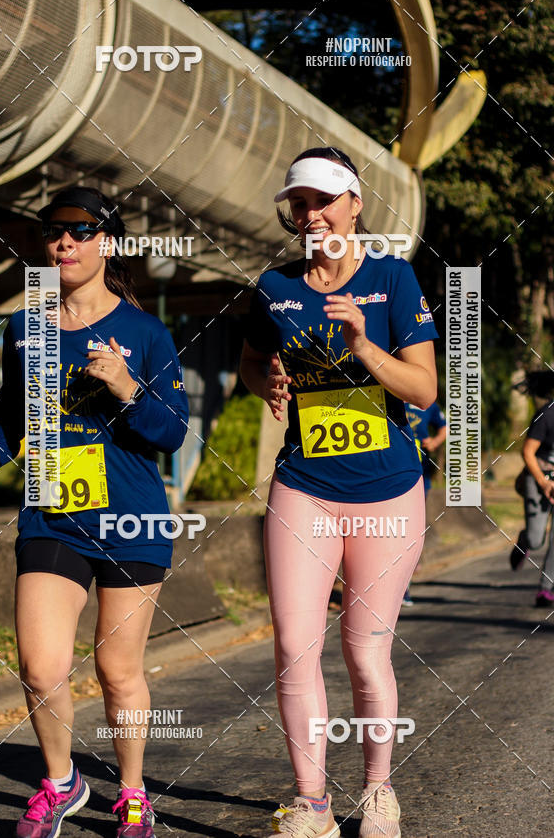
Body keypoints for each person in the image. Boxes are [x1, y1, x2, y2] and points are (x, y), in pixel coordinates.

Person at [0, 187, 188, 838]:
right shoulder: (24, 328)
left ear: (107, 243)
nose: (64, 242)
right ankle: (61, 783)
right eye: (53, 232)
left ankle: (134, 794)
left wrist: (124, 386)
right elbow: (14, 414)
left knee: (117, 671)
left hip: (132, 518)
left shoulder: (144, 332)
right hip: (52, 513)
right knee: (39, 667)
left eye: (80, 231)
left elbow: (172, 432)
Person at [240, 147, 438, 838]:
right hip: (304, 487)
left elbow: (424, 388)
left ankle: (378, 791)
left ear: (355, 204)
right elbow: (250, 359)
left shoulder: (394, 279)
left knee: (364, 650)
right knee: (294, 643)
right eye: (300, 202)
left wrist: (365, 348)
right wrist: (263, 379)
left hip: (387, 494)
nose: (312, 213)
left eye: (324, 199)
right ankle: (312, 802)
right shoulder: (274, 286)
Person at [509, 399, 554, 606]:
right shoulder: (546, 414)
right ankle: (525, 540)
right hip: (538, 477)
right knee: (537, 540)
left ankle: (546, 588)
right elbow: (527, 452)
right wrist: (544, 483)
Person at [402, 401, 447, 604]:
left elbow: (445, 427)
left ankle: (404, 588)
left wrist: (436, 442)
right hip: (389, 475)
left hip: (420, 475)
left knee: (410, 530)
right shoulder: (383, 393)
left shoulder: (425, 402)